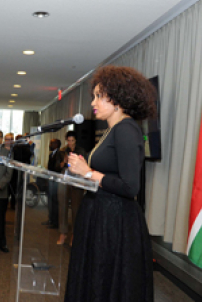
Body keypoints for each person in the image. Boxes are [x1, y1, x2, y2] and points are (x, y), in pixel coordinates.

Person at [65, 65, 155, 302]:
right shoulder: (112, 130)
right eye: (94, 96)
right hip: (102, 215)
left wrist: (88, 173)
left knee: (106, 282)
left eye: (99, 96)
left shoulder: (126, 130)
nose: (93, 102)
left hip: (115, 222)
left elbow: (129, 187)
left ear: (118, 99)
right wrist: (87, 171)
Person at [57, 131, 86, 245]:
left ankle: (74, 234)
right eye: (68, 140)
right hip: (64, 178)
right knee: (62, 206)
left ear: (76, 140)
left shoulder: (81, 151)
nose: (70, 143)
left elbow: (83, 165)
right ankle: (63, 233)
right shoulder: (62, 151)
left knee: (75, 208)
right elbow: (57, 166)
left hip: (77, 179)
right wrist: (64, 162)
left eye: (72, 140)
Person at [42, 139, 64, 229]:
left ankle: (55, 222)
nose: (49, 144)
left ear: (57, 144)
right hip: (51, 179)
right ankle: (51, 219)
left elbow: (58, 168)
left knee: (55, 201)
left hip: (56, 180)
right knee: (50, 201)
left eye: (52, 143)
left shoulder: (60, 154)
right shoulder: (51, 154)